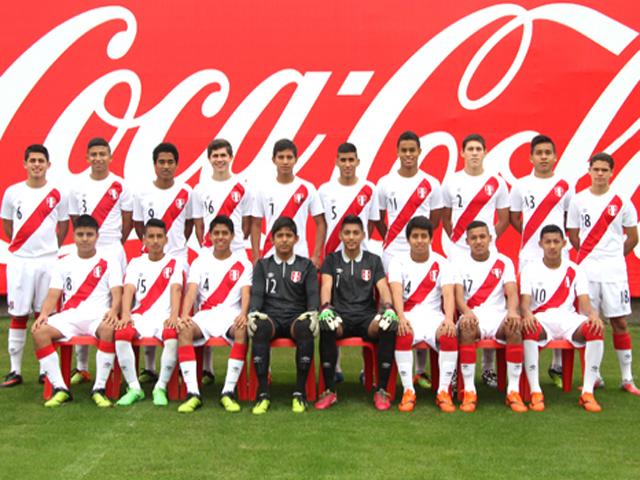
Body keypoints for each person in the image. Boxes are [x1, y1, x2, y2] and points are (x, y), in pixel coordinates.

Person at [372, 131, 443, 390]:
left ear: (419, 152)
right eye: (404, 150)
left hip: (422, 253)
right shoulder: (385, 182)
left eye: (413, 150)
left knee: (422, 303)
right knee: (391, 310)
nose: (409, 155)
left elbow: (434, 219)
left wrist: (420, 240)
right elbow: (379, 217)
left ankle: (421, 370)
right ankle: (386, 368)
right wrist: (393, 239)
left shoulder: (432, 183)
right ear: (398, 152)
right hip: (392, 252)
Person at [30, 214, 122, 407]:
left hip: (97, 316)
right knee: (39, 332)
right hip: (69, 316)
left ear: (97, 236)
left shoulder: (109, 260)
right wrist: (45, 314)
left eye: (90, 234)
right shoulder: (63, 262)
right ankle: (60, 388)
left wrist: (114, 311)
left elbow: (117, 292)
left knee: (108, 329)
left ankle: (99, 388)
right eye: (80, 234)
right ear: (74, 236)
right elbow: (53, 294)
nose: (85, 238)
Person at [567, 152, 640, 395]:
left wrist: (614, 256)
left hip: (614, 272)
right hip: (587, 270)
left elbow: (632, 236)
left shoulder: (621, 201)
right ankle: (594, 376)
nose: (599, 174)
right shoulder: (578, 201)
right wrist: (589, 255)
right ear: (589, 171)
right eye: (595, 169)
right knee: (590, 322)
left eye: (604, 170)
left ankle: (627, 378)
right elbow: (574, 234)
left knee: (619, 321)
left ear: (611, 172)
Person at [442, 134, 509, 388]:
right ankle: (456, 367)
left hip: (487, 253)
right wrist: (460, 241)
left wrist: (486, 242)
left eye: (478, 149)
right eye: (469, 149)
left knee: (490, 305)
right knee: (457, 308)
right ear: (462, 153)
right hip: (458, 252)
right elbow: (446, 218)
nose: (474, 153)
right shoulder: (451, 181)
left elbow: (502, 218)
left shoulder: (497, 183)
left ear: (485, 152)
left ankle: (489, 368)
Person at [1, 144, 69, 387]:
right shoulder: (12, 192)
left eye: (41, 160)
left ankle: (45, 370)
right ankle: (15, 370)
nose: (37, 165)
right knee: (18, 315)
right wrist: (24, 247)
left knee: (45, 314)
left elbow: (62, 227)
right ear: (25, 164)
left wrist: (49, 249)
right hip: (20, 261)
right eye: (32, 160)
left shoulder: (57, 193)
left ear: (48, 165)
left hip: (48, 261)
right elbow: (7, 225)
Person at [68, 137, 133, 386]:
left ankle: (117, 365)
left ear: (110, 156)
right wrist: (87, 241)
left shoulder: (120, 185)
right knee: (80, 301)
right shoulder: (77, 185)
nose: (97, 158)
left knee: (114, 307)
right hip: (86, 250)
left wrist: (115, 242)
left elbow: (127, 220)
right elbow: (76, 220)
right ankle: (82, 367)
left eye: (102, 154)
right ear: (87, 157)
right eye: (93, 154)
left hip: (112, 249)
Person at [510, 134, 574, 388]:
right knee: (529, 309)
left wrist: (554, 245)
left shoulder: (564, 185)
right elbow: (516, 218)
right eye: (539, 153)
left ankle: (557, 364)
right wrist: (533, 241)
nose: (544, 157)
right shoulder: (521, 185)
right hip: (529, 254)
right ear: (531, 157)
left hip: (559, 257)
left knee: (562, 307)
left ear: (555, 156)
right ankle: (526, 366)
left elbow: (570, 219)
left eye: (548, 152)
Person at [520, 224, 606, 412]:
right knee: (529, 329)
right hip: (541, 319)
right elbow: (525, 303)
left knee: (595, 329)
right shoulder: (530, 269)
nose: (552, 246)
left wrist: (593, 315)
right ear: (540, 244)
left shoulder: (575, 270)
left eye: (556, 242)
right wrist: (526, 314)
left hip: (568, 320)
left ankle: (588, 393)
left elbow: (584, 303)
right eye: (548, 242)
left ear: (564, 243)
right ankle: (536, 391)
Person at [315, 215, 397, 411]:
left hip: (366, 318)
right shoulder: (331, 260)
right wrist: (325, 307)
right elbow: (326, 285)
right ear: (341, 236)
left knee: (388, 325)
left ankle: (382, 390)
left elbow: (383, 287)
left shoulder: (373, 260)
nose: (351, 237)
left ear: (363, 236)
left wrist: (389, 307)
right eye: (347, 233)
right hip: (341, 317)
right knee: (326, 324)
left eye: (355, 233)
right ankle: (329, 390)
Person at [176, 215, 252, 413]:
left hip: (231, 316)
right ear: (209, 236)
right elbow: (191, 291)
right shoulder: (200, 262)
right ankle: (193, 393)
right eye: (216, 233)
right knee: (184, 330)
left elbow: (246, 293)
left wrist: (244, 314)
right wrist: (184, 315)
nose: (220, 237)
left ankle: (228, 392)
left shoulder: (243, 263)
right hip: (205, 317)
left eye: (225, 233)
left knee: (242, 331)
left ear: (232, 236)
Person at [192, 138, 252, 385]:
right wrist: (207, 246)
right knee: (203, 306)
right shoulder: (200, 188)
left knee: (238, 309)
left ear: (231, 157)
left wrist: (237, 243)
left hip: (236, 252)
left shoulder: (243, 186)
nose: (219, 159)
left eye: (223, 155)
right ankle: (206, 369)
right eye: (215, 155)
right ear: (209, 159)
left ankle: (246, 372)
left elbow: (247, 222)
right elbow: (198, 223)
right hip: (209, 251)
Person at [133, 142, 193, 383]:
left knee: (181, 314)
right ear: (155, 165)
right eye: (161, 162)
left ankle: (191, 365)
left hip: (178, 257)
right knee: (147, 307)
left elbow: (189, 224)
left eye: (170, 162)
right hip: (150, 260)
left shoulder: (187, 191)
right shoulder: (142, 193)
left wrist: (173, 248)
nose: (166, 166)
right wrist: (154, 247)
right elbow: (140, 226)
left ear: (177, 165)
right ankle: (149, 367)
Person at [318, 142, 378, 383]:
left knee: (367, 307)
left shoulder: (368, 189)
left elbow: (371, 224)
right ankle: (337, 365)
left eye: (351, 160)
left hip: (361, 259)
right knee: (333, 308)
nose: (347, 164)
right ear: (336, 162)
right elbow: (322, 224)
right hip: (334, 257)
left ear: (358, 161)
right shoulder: (325, 190)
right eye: (343, 160)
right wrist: (320, 255)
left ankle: (367, 368)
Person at [248, 216, 319, 414]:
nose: (284, 240)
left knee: (306, 328)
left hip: (296, 317)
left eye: (289, 235)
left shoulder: (306, 266)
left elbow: (313, 294)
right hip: (271, 317)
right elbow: (257, 294)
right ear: (272, 239)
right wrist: (253, 313)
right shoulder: (262, 265)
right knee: (259, 328)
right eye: (280, 235)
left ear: (297, 239)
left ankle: (299, 392)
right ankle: (262, 394)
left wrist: (313, 312)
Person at [454, 221, 526, 413]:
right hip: (473, 315)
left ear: (490, 239)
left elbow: (511, 294)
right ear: (467, 241)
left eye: (482, 237)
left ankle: (513, 391)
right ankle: (469, 390)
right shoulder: (459, 264)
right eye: (474, 238)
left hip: (498, 316)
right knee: (467, 328)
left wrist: (512, 311)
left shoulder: (504, 262)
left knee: (514, 327)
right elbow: (459, 298)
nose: (478, 241)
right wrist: (467, 312)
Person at [389, 216, 458, 412]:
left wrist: (448, 319)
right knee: (402, 332)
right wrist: (401, 318)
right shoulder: (397, 262)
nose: (419, 240)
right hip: (409, 315)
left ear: (431, 238)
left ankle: (443, 391)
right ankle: (408, 391)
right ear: (408, 239)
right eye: (415, 236)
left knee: (449, 334)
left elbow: (448, 294)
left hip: (434, 317)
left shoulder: (442, 263)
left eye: (424, 236)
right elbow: (396, 293)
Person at [114, 219, 183, 406]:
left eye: (159, 236)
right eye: (151, 236)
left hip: (163, 318)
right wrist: (126, 314)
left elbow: (176, 290)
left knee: (173, 335)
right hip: (140, 316)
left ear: (166, 239)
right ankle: (134, 387)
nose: (155, 241)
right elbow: (128, 290)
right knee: (121, 334)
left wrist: (174, 316)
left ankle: (160, 387)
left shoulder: (174, 263)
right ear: (143, 240)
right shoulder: (136, 263)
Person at [250, 139, 326, 268]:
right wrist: (256, 256)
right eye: (281, 157)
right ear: (273, 159)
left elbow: (321, 223)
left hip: (300, 255)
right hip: (270, 255)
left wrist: (316, 255)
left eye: (289, 157)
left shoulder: (307, 188)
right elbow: (256, 224)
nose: (285, 162)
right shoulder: (263, 189)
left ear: (296, 159)